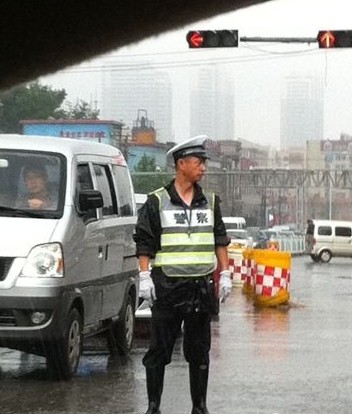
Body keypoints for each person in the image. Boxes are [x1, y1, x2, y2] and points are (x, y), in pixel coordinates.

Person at [134, 135, 232, 414]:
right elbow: (144, 241)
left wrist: (225, 274)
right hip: (168, 286)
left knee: (199, 351)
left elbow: (220, 240)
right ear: (181, 164)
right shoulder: (156, 201)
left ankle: (199, 407)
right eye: (199, 162)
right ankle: (153, 407)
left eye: (204, 162)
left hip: (200, 287)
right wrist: (144, 276)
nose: (204, 168)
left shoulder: (210, 202)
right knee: (159, 350)